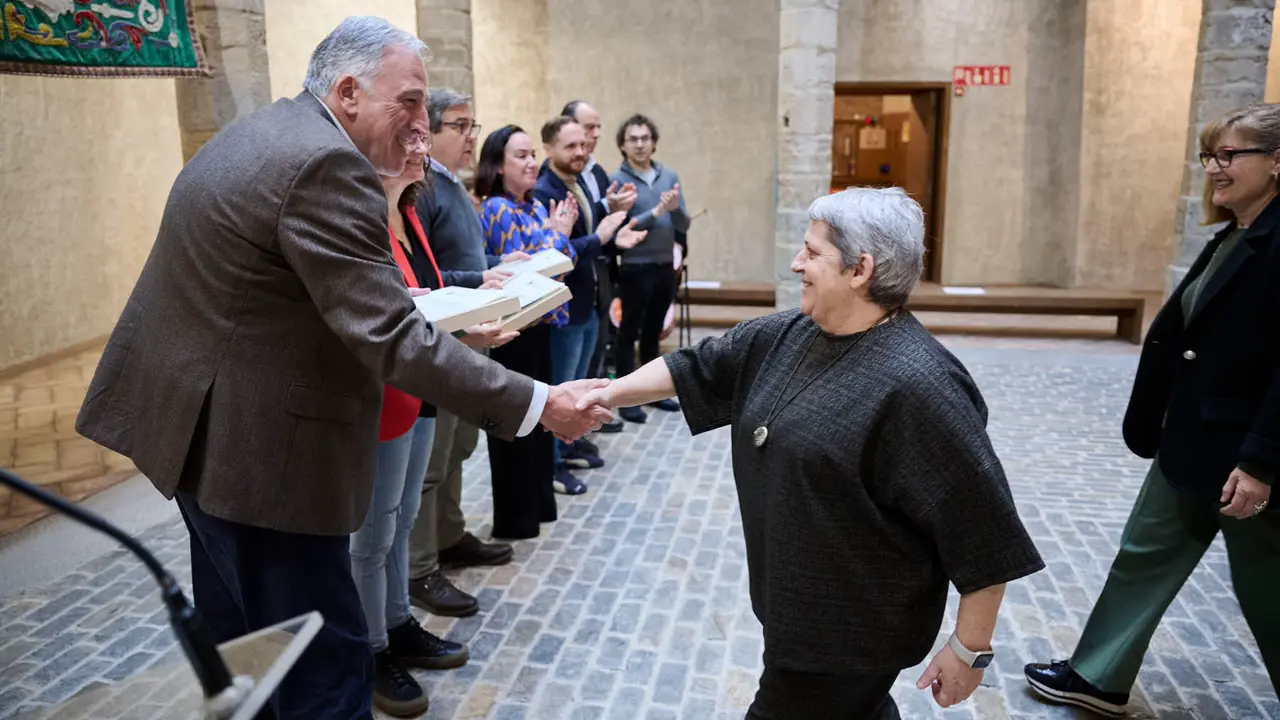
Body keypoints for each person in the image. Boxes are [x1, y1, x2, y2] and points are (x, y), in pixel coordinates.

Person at [73, 17, 609, 718]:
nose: (421, 123)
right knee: (322, 668)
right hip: (263, 458)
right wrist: (540, 404)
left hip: (203, 436)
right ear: (349, 91)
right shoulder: (327, 165)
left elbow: (316, 294)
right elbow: (390, 335)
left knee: (251, 651)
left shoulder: (269, 131)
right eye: (409, 102)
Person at [575, 186, 1045, 719]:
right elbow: (701, 365)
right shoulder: (796, 332)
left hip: (848, 633)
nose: (797, 263)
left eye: (812, 252)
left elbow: (983, 530)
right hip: (799, 616)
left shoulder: (920, 385)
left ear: (860, 269)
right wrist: (605, 394)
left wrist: (968, 649)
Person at [1025, 103, 1280, 717]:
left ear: (1277, 162)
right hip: (1192, 440)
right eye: (1209, 156)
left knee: (1269, 588)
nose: (1214, 168)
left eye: (1229, 155)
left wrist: (1262, 462)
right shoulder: (1238, 233)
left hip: (1245, 457)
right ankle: (1097, 675)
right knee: (1145, 552)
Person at [405, 88, 521, 620]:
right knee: (431, 463)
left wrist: (496, 263)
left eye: (473, 125)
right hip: (443, 342)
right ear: (429, 131)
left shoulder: (453, 183)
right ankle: (419, 567)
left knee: (458, 448)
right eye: (460, 125)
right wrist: (478, 278)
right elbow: (423, 275)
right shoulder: (423, 187)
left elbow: (459, 257)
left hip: (469, 335)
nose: (472, 136)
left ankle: (449, 536)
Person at [476, 124, 581, 538]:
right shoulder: (497, 209)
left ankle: (539, 506)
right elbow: (524, 274)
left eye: (533, 154)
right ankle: (516, 519)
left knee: (540, 421)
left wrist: (555, 240)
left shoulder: (535, 207)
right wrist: (556, 237)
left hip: (541, 327)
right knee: (516, 427)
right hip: (511, 332)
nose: (532, 162)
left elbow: (562, 262)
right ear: (498, 166)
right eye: (521, 156)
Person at [534, 116, 647, 494]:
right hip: (564, 305)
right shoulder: (545, 191)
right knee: (561, 388)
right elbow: (558, 252)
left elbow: (593, 235)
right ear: (549, 148)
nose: (581, 152)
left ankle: (569, 447)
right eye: (571, 146)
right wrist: (600, 238)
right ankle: (551, 464)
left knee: (580, 382)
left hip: (589, 298)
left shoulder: (578, 182)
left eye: (583, 145)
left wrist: (613, 235)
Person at [610, 114, 690, 424]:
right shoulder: (617, 180)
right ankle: (625, 399)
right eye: (633, 139)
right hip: (634, 266)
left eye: (645, 138)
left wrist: (675, 209)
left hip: (663, 264)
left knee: (653, 332)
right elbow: (623, 228)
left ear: (654, 142)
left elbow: (683, 223)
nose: (640, 144)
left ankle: (652, 392)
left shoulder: (669, 175)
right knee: (628, 332)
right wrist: (656, 211)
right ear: (623, 145)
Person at [562, 99, 635, 434]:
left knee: (595, 353)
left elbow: (598, 219)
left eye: (597, 128)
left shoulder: (597, 172)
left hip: (600, 276)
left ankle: (590, 419)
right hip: (576, 281)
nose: (595, 134)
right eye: (588, 127)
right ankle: (572, 430)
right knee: (571, 369)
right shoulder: (562, 177)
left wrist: (613, 210)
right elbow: (584, 231)